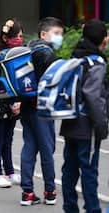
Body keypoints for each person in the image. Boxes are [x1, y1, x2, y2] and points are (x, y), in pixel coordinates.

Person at [60, 19, 108, 213]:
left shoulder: (76, 57)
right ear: (101, 39)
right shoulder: (96, 62)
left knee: (69, 169)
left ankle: (70, 207)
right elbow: (93, 95)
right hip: (86, 125)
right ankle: (93, 209)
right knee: (88, 170)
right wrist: (102, 125)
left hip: (70, 120)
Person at [20, 17, 63, 206]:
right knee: (47, 149)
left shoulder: (26, 51)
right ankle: (50, 191)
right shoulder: (47, 55)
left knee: (29, 147)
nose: (59, 37)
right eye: (56, 33)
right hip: (43, 108)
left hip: (26, 106)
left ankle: (27, 192)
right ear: (43, 34)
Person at [0, 19, 22, 188]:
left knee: (8, 139)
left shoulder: (17, 55)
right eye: (16, 36)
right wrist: (12, 102)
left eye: (21, 36)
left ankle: (9, 171)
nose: (20, 39)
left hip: (12, 103)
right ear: (5, 38)